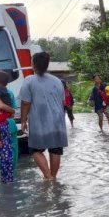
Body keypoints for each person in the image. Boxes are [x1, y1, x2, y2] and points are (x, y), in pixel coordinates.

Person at [18, 52, 68, 180]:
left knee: (36, 149)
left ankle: (48, 176)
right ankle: (53, 177)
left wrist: (23, 121)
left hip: (39, 120)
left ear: (33, 65)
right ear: (47, 65)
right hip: (57, 120)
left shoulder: (29, 80)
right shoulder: (57, 81)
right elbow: (62, 102)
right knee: (56, 149)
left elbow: (25, 103)